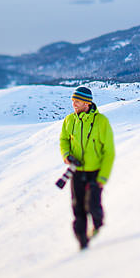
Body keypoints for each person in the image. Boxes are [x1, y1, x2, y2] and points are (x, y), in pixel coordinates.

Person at [59, 86, 115, 249]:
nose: (74, 104)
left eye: (77, 101)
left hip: (95, 172)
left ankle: (97, 224)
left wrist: (103, 177)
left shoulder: (101, 122)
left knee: (92, 205)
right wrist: (67, 155)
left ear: (87, 103)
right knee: (78, 207)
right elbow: (64, 140)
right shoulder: (69, 120)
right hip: (76, 172)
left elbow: (109, 152)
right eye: (73, 101)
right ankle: (82, 239)